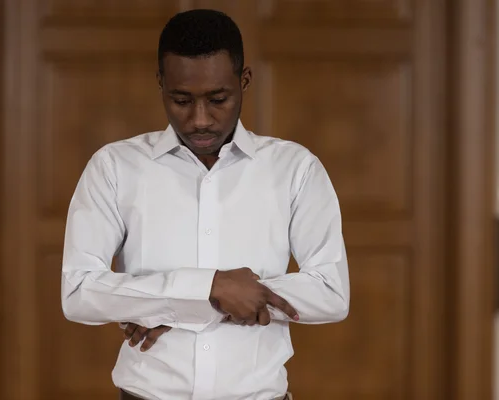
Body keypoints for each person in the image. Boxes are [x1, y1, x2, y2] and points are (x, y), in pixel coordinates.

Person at [61, 8, 350, 400]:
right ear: (160, 83)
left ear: (244, 81)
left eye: (218, 99)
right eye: (181, 99)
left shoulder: (295, 169)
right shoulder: (114, 167)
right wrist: (212, 288)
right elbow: (79, 292)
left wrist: (175, 306)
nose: (199, 119)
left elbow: (330, 293)